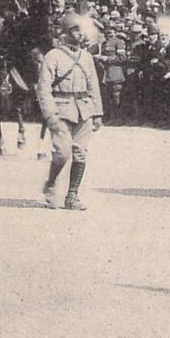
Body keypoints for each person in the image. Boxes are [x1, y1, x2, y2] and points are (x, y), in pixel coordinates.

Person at [36, 12, 104, 210]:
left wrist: (97, 113)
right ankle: (51, 184)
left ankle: (72, 196)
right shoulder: (53, 56)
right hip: (61, 110)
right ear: (65, 32)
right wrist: (50, 114)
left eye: (82, 30)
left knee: (80, 153)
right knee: (62, 153)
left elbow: (94, 86)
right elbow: (44, 89)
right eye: (75, 30)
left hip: (84, 110)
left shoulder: (87, 57)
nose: (80, 34)